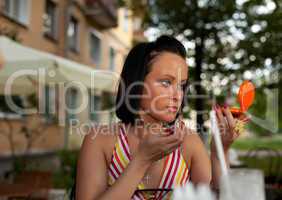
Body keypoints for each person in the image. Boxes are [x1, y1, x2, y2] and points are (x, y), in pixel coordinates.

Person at [75, 35, 248, 200]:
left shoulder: (188, 142)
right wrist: (142, 160)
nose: (177, 95)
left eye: (181, 85)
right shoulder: (99, 140)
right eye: (166, 82)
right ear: (136, 83)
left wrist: (220, 151)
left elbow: (216, 196)